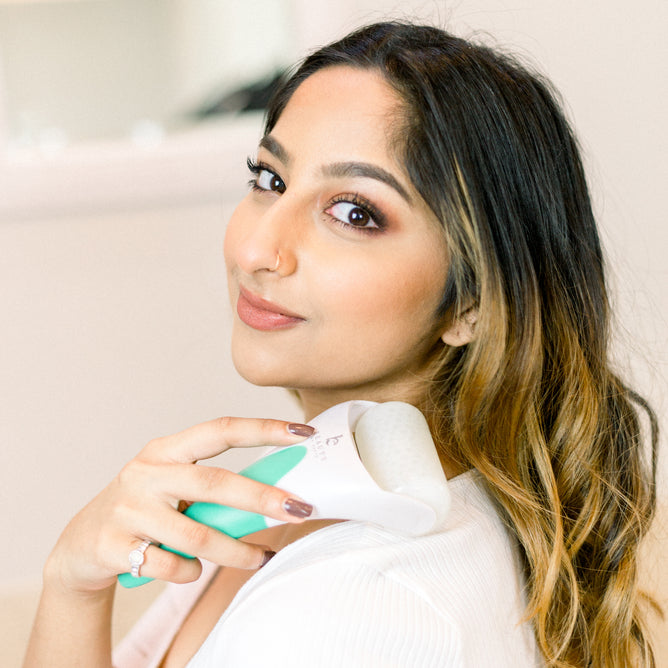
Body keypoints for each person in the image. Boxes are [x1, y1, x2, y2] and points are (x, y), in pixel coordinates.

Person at [23, 21, 659, 668]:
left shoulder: (355, 614)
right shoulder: (304, 492)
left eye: (354, 213)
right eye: (270, 180)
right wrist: (73, 587)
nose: (257, 249)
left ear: (471, 302)